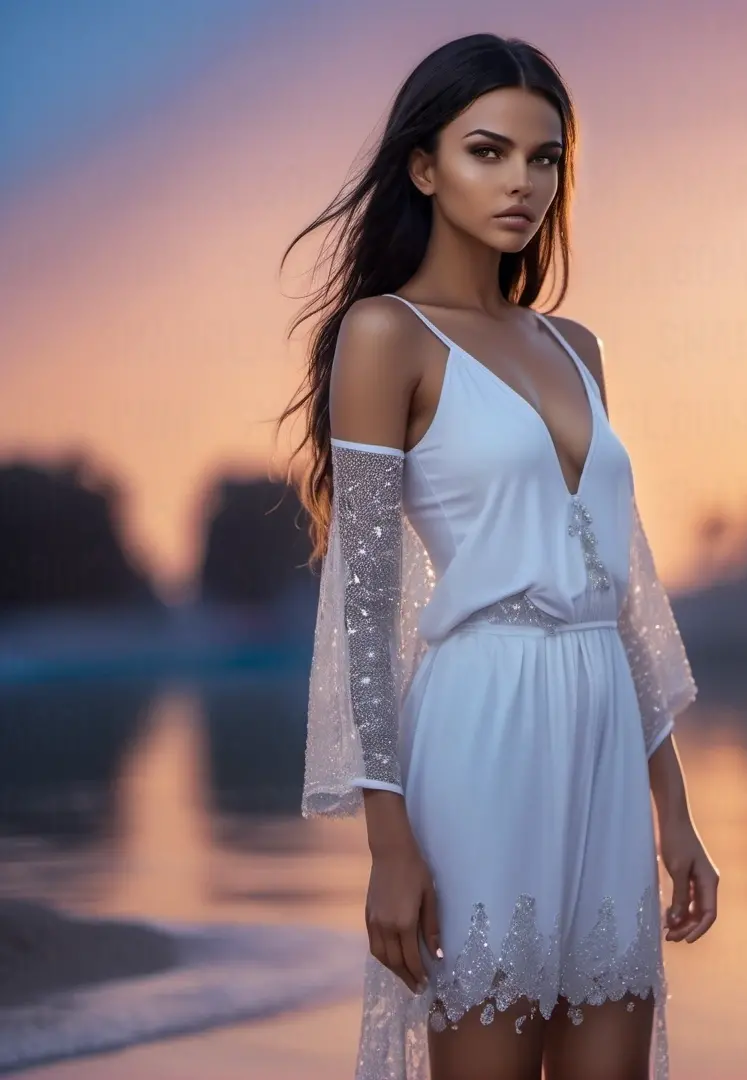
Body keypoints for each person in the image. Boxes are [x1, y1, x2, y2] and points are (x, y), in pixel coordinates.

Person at [277, 32, 718, 1080]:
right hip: (480, 729)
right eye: (489, 151)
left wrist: (676, 813)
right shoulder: (385, 337)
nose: (522, 180)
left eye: (546, 157)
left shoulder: (578, 348)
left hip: (604, 729)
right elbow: (366, 606)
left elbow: (619, 589)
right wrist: (389, 844)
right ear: (423, 168)